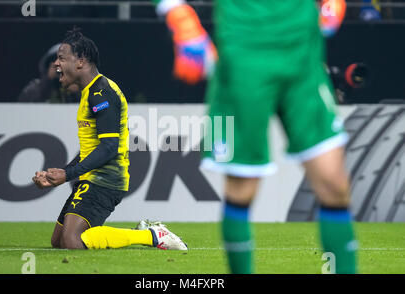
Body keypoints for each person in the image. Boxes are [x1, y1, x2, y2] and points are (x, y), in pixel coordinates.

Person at [153, 0, 357, 273]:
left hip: (302, 58)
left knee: (334, 184)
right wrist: (180, 18)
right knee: (242, 188)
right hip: (243, 59)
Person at [32, 28, 187, 251]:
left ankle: (152, 235)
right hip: (91, 179)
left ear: (80, 62)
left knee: (72, 242)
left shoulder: (102, 93)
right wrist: (60, 173)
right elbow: (92, 149)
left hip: (105, 181)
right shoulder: (90, 92)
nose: (56, 64)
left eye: (61, 58)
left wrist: (68, 174)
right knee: (59, 241)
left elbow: (110, 147)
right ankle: (145, 233)